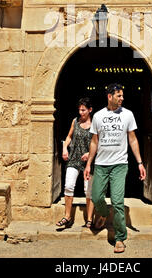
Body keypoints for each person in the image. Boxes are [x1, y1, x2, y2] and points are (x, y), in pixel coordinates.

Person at [84, 83, 146, 253]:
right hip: (101, 164)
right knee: (96, 197)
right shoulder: (97, 116)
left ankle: (120, 238)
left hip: (120, 164)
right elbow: (94, 141)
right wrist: (89, 163)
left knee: (118, 202)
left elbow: (132, 139)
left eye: (122, 96)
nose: (122, 99)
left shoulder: (128, 115)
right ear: (109, 96)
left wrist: (140, 163)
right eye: (119, 96)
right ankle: (103, 213)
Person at [56, 97, 95, 229]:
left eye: (83, 110)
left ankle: (89, 219)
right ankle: (67, 216)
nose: (81, 113)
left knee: (88, 190)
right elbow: (69, 136)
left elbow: (99, 142)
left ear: (90, 110)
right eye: (79, 110)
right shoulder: (75, 121)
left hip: (89, 161)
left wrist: (90, 154)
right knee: (68, 185)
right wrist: (64, 147)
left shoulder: (95, 123)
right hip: (74, 158)